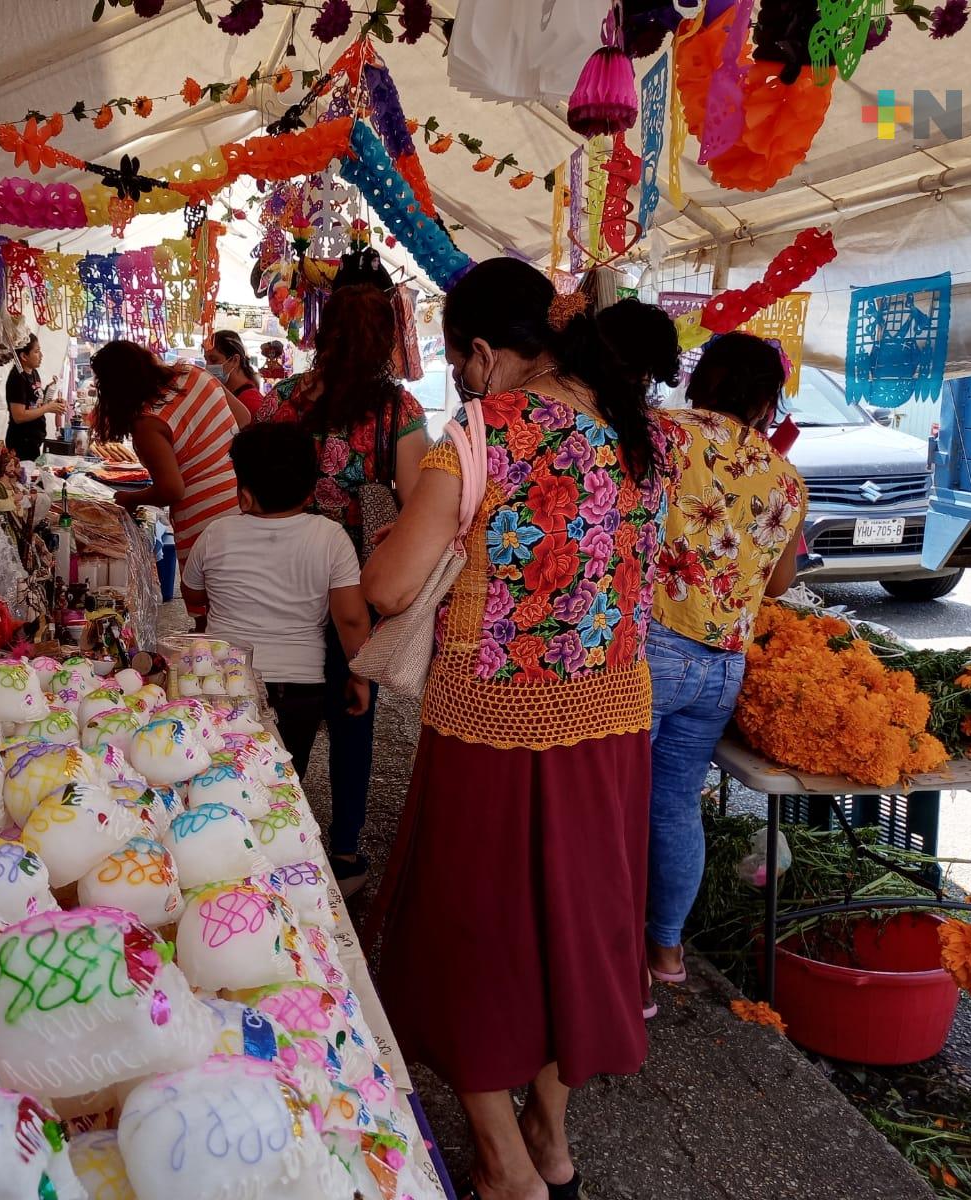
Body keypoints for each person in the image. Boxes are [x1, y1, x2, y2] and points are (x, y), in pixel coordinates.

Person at [363, 258, 678, 1200]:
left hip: (492, 726)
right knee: (572, 933)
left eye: (463, 363)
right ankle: (550, 1141)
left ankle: (506, 1169)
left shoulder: (479, 434)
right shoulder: (642, 434)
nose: (464, 380)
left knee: (475, 936)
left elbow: (385, 587)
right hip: (613, 722)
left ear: (486, 353)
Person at [645, 333, 806, 984]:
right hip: (720, 668)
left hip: (651, 646)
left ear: (701, 380)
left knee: (613, 800)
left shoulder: (664, 434)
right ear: (767, 400)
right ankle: (665, 951)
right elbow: (778, 585)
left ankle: (604, 947)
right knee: (674, 807)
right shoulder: (784, 479)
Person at [261, 283, 430, 894]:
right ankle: (346, 853)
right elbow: (420, 507)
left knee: (279, 709)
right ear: (389, 338)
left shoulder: (281, 400)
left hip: (278, 573)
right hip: (351, 579)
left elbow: (252, 485)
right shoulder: (398, 412)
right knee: (354, 708)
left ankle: (274, 835)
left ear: (320, 331)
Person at [181, 422, 371, 774]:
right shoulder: (331, 538)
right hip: (298, 688)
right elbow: (352, 619)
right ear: (310, 492)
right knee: (282, 774)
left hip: (221, 679)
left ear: (244, 495)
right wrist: (359, 676)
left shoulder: (217, 534)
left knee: (218, 770)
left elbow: (192, 591)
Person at [88, 340, 251, 581]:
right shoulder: (193, 373)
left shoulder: (148, 422)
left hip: (203, 522)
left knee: (209, 605)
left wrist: (130, 498)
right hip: (243, 505)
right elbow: (243, 417)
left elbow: (171, 489)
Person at [4, 334, 62, 463]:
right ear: (24, 356)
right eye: (36, 351)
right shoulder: (17, 379)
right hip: (20, 443)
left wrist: (52, 404)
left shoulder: (34, 373)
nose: (41, 355)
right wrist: (47, 408)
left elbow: (36, 405)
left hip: (33, 441)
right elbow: (19, 416)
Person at [204, 330, 265, 416]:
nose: (207, 367)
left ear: (235, 360)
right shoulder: (227, 394)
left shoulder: (251, 401)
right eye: (206, 360)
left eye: (214, 360)